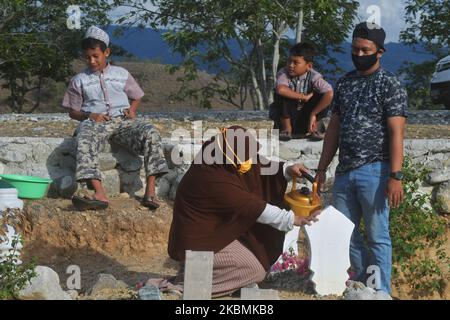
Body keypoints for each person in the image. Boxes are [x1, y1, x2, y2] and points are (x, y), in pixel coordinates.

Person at [143, 126, 320, 298]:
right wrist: (292, 219)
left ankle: (222, 279)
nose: (250, 162)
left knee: (256, 258)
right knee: (255, 270)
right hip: (200, 238)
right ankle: (181, 285)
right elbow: (253, 207)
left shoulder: (222, 154)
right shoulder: (213, 178)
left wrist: (286, 170)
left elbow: (259, 165)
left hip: (218, 228)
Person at [315, 22, 408, 296]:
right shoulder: (344, 83)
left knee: (378, 237)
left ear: (379, 52)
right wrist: (322, 169)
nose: (358, 53)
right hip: (345, 172)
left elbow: (396, 132)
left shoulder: (389, 84)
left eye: (364, 49)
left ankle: (381, 292)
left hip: (376, 172)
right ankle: (360, 287)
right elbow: (333, 129)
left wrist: (395, 176)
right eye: (355, 48)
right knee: (346, 236)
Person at [61, 26, 168, 211]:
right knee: (84, 135)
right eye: (87, 57)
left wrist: (132, 110)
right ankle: (99, 194)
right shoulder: (79, 80)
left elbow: (137, 96)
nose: (92, 61)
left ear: (107, 52)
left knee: (150, 132)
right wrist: (89, 115)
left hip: (123, 123)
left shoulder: (122, 74)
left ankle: (150, 192)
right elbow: (72, 111)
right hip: (95, 124)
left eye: (96, 56)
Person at [270, 42, 334, 141]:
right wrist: (303, 97)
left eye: (296, 62)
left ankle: (314, 128)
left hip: (306, 118)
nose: (291, 65)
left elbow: (329, 93)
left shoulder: (314, 76)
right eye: (289, 61)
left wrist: (314, 113)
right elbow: (281, 90)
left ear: (309, 66)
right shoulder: (283, 73)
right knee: (281, 95)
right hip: (288, 116)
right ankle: (286, 129)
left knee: (321, 95)